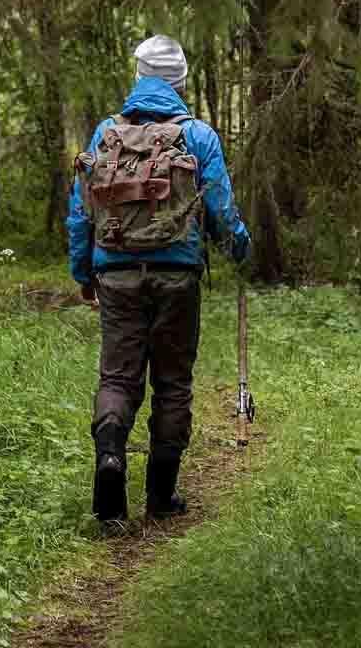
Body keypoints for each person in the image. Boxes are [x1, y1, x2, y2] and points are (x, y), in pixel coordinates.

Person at [67, 35, 250, 523]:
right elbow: (221, 209)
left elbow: (81, 212)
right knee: (173, 384)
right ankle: (160, 497)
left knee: (118, 378)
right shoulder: (199, 137)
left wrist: (84, 272)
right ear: (180, 82)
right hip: (177, 277)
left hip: (116, 273)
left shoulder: (107, 134)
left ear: (139, 77)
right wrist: (240, 244)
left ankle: (109, 468)